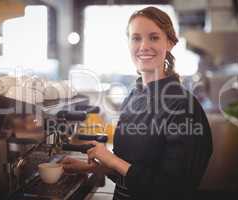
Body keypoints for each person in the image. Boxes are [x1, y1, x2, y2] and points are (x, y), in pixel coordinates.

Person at [62, 6, 212, 200]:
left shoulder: (183, 105)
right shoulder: (134, 97)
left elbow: (175, 189)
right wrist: (95, 167)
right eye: (136, 38)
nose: (143, 46)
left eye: (154, 37)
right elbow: (130, 169)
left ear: (170, 43)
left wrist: (113, 160)